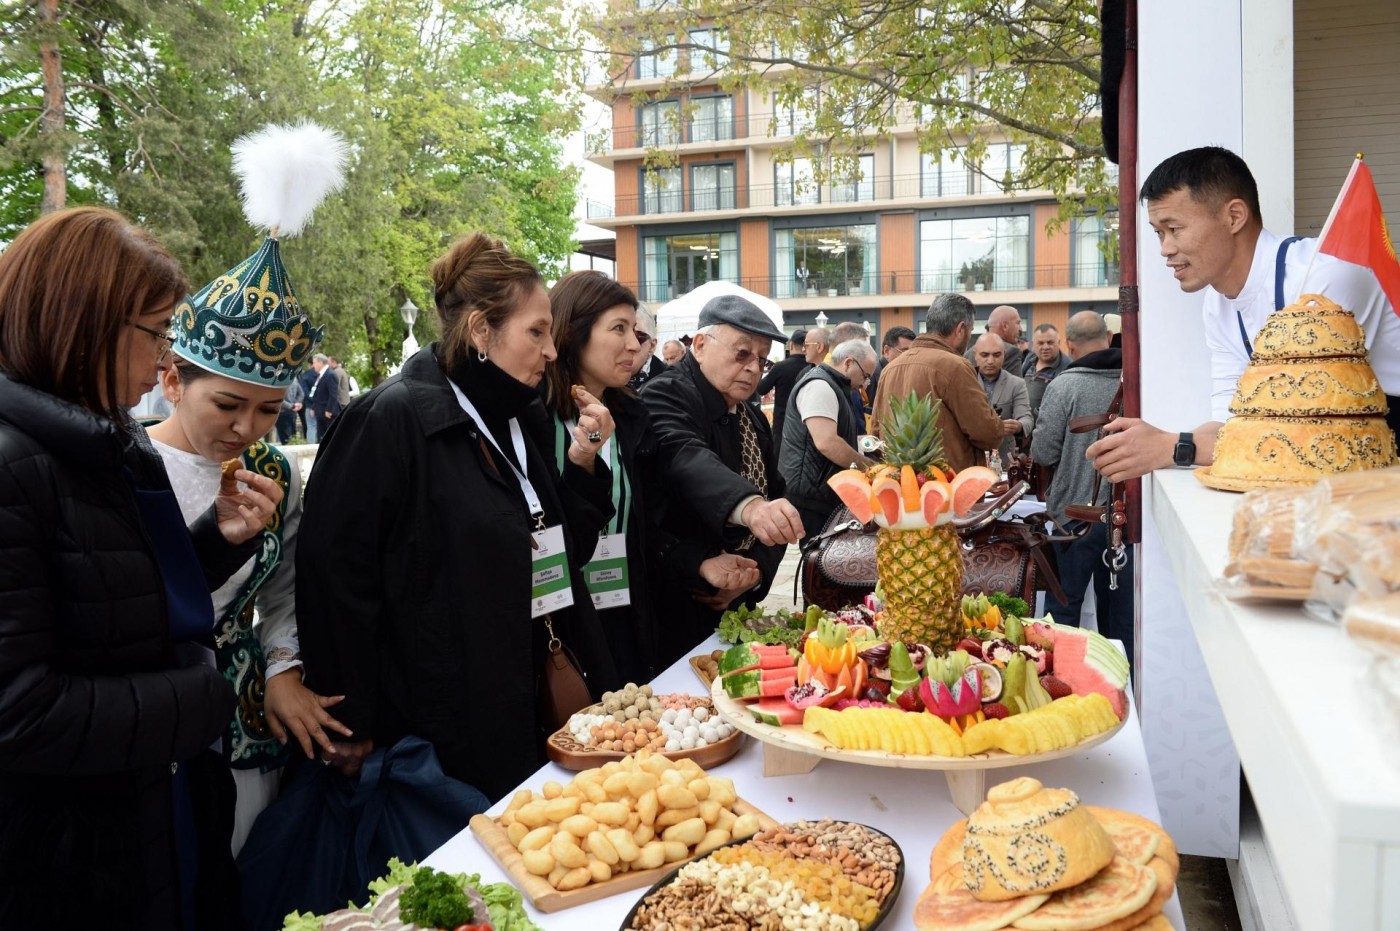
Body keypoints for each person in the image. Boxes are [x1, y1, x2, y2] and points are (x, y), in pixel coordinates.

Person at [0, 206, 283, 928]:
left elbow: (105, 602)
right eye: (154, 332)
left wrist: (214, 543)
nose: (162, 356)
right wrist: (197, 699)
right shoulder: (18, 464)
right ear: (85, 321)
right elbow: (18, 710)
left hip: (146, 818)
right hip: (72, 859)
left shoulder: (96, 441)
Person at [296, 233, 619, 802]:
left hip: (525, 694)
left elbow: (563, 545)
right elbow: (337, 580)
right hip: (439, 724)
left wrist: (583, 464)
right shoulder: (389, 419)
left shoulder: (522, 417)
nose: (551, 351)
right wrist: (354, 720)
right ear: (479, 331)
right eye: (536, 332)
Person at [146, 224, 350, 855]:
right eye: (228, 404)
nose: (245, 428)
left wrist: (284, 669)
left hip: (246, 717)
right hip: (147, 712)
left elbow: (285, 590)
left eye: (267, 410)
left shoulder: (277, 470)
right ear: (175, 382)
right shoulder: (128, 466)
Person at [1089, 145, 1400, 480]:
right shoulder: (1218, 302)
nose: (1166, 249)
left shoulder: (1322, 275)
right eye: (1159, 233)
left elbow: (1304, 436)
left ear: (1234, 216)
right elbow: (1233, 422)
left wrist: (1174, 446)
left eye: (1174, 229)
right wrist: (1156, 446)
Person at [641, 295, 801, 667]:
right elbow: (686, 457)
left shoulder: (751, 415)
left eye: (762, 360)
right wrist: (750, 508)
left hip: (735, 603)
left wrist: (755, 573)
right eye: (742, 353)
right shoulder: (666, 393)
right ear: (699, 345)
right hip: (677, 599)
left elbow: (775, 492)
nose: (753, 368)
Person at [543, 271, 672, 685]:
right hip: (557, 617)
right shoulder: (530, 418)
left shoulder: (632, 416)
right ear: (574, 330)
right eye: (618, 329)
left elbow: (650, 519)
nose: (634, 344)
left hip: (624, 606)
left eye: (635, 331)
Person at [1030, 311, 1133, 668]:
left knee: (1065, 609)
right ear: (1107, 336)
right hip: (1126, 518)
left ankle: (1060, 682)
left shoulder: (1062, 386)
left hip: (1073, 518)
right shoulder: (1135, 382)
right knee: (1119, 617)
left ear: (1069, 346)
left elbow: (1043, 452)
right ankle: (1122, 692)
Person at [871, 294, 1004, 472]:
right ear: (960, 329)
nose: (969, 338)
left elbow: (876, 432)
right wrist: (998, 423)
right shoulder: (955, 366)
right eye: (970, 331)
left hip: (898, 483)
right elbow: (987, 433)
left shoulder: (890, 369)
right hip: (945, 485)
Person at [779, 338, 878, 537]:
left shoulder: (833, 385)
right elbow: (827, 443)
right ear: (849, 363)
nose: (865, 384)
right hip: (812, 496)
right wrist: (871, 469)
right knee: (817, 558)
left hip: (820, 490)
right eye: (865, 376)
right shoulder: (820, 385)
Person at [971, 332, 1033, 462]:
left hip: (1004, 459)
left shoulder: (1017, 384)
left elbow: (1026, 418)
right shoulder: (965, 382)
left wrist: (1019, 425)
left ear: (1004, 354)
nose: (990, 361)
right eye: (984, 355)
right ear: (975, 355)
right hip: (971, 458)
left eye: (997, 355)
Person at [758, 329, 812, 458]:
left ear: (791, 345)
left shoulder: (781, 367)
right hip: (808, 423)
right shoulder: (814, 367)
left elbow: (761, 389)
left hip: (783, 424)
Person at [1021, 323, 1070, 416]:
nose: (1045, 347)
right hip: (1023, 424)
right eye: (1040, 343)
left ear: (1058, 343)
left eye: (1050, 342)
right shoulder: (1029, 360)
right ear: (1033, 344)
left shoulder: (1067, 369)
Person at [867, 325, 915, 413]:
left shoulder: (907, 374)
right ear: (886, 351)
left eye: (912, 352)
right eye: (905, 351)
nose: (910, 357)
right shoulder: (872, 376)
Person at [966, 305, 1025, 375]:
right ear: (1005, 326)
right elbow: (1017, 385)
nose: (1021, 329)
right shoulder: (1012, 352)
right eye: (1018, 323)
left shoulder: (969, 354)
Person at [626, 306, 667, 392]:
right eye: (618, 333)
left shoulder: (670, 386)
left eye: (636, 336)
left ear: (651, 346)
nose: (629, 345)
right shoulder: (600, 380)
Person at [305, 353, 340, 443]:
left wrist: (329, 410)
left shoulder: (330, 374)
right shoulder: (320, 375)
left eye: (314, 363)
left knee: (330, 438)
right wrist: (313, 407)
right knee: (321, 439)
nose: (313, 366)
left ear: (320, 363)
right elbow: (317, 393)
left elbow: (333, 394)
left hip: (327, 413)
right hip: (320, 410)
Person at [276, 377, 304, 444]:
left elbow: (278, 398)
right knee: (292, 437)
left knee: (286, 439)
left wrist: (292, 406)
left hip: (283, 412)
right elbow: (301, 394)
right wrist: (297, 403)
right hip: (292, 411)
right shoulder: (294, 378)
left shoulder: (279, 379)